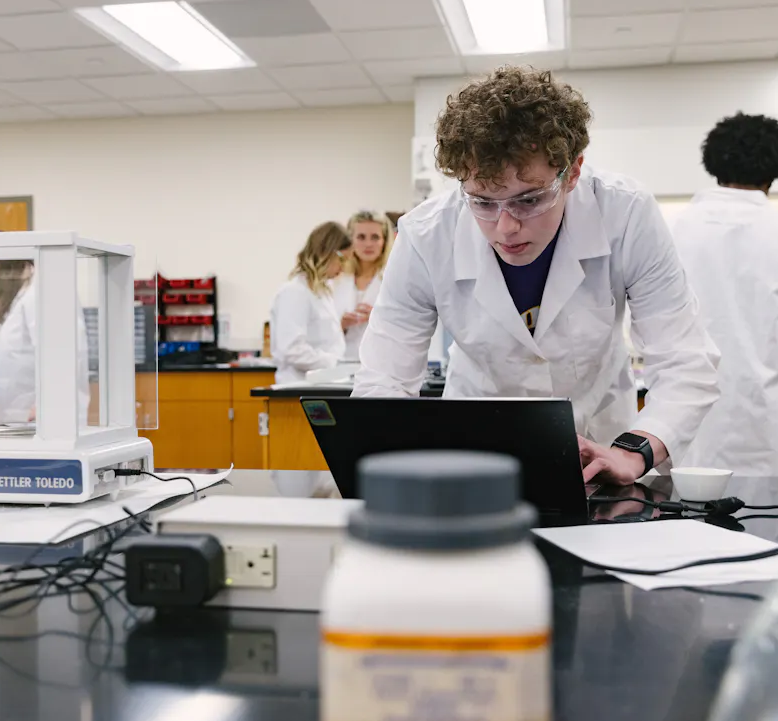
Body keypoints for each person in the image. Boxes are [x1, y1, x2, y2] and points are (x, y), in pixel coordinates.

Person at [353, 66, 720, 485]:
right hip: (473, 456)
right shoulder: (424, 235)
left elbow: (685, 360)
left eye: (529, 199)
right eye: (483, 202)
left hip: (600, 452)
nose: (506, 227)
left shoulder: (625, 213)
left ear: (573, 172)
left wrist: (637, 448)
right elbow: (384, 379)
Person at [672, 113, 778, 476]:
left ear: (712, 165)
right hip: (766, 430)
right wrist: (763, 360)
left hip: (685, 429)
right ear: (776, 172)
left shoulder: (673, 233)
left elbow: (649, 329)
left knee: (685, 526)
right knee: (772, 527)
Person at [0, 258, 91, 425]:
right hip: (18, 417)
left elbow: (61, 356)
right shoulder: (19, 298)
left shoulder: (42, 293)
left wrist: (47, 406)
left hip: (41, 420)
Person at [269, 222, 352, 384]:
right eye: (342, 260)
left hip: (321, 384)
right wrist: (333, 363)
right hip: (298, 386)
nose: (343, 268)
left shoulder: (322, 292)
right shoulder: (295, 292)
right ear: (326, 252)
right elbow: (292, 350)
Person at [331, 210, 395, 360]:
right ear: (350, 240)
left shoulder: (393, 277)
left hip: (381, 362)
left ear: (384, 241)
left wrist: (378, 316)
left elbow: (409, 325)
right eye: (361, 237)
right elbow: (320, 331)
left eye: (375, 237)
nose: (368, 244)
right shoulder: (336, 278)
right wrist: (341, 324)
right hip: (340, 363)